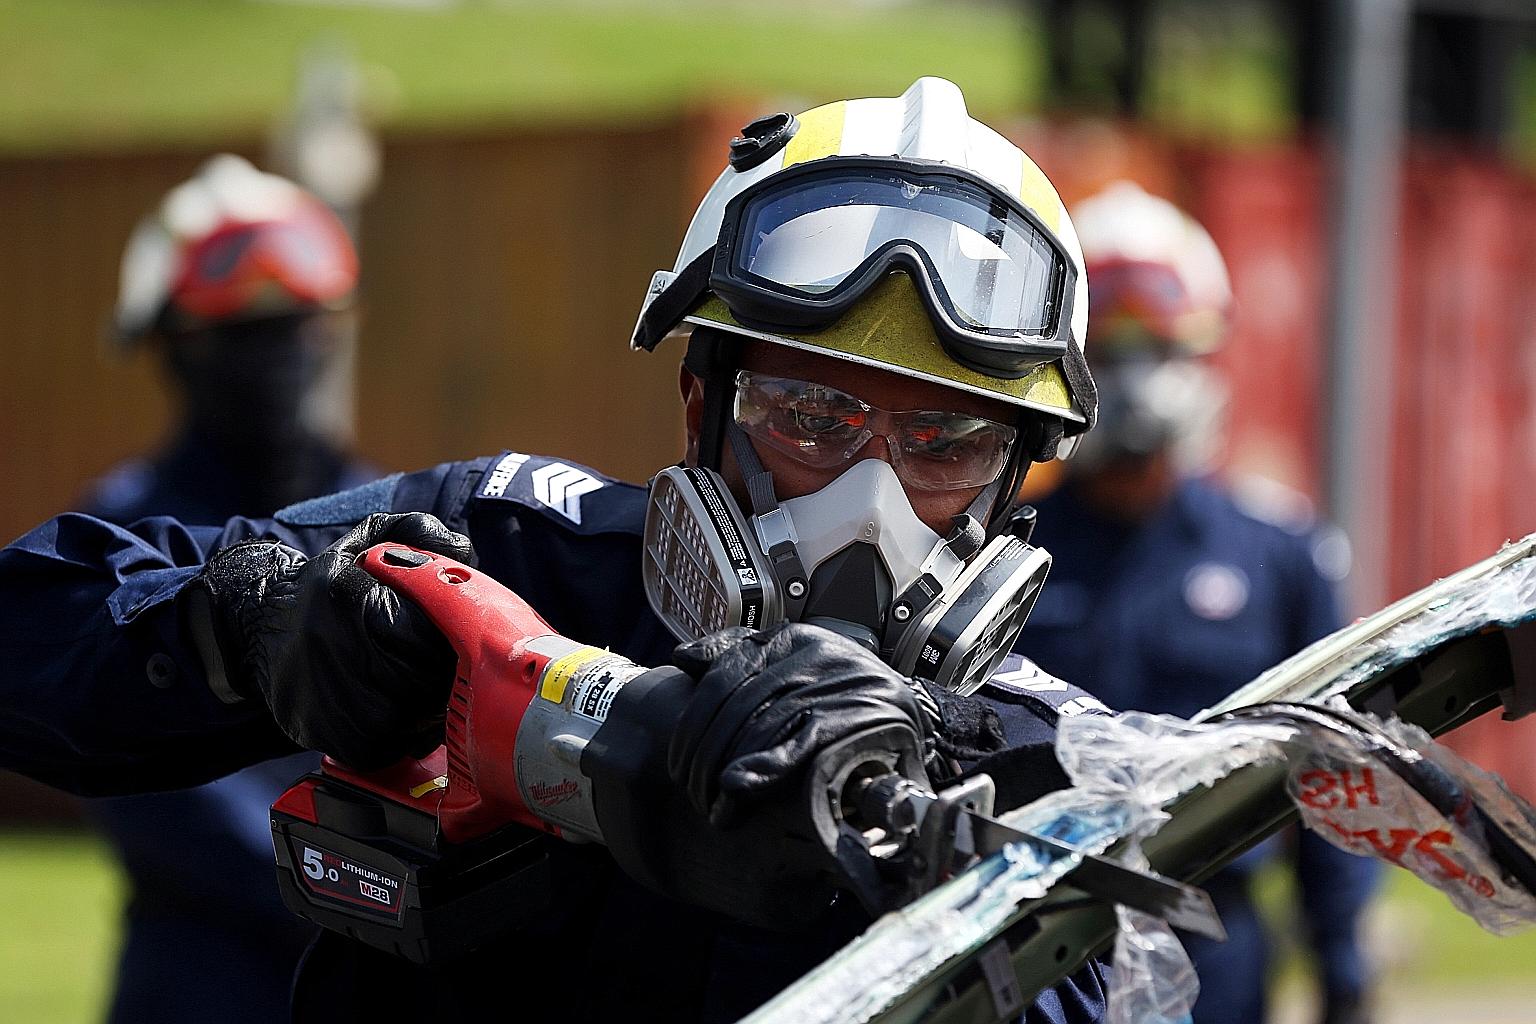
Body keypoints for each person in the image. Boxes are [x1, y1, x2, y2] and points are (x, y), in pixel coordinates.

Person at [1, 79, 1108, 1021]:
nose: (873, 500)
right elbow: (26, 634)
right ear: (699, 405)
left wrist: (894, 841)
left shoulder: (1042, 769)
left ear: (1018, 476)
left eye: (946, 441)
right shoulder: (510, 552)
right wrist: (245, 622)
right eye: (811, 416)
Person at [1012, 181, 1378, 1024]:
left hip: (1220, 948)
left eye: (1163, 349)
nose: (1139, 383)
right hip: (1038, 949)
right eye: (1111, 351)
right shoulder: (1001, 546)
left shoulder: (1280, 554)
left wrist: (1343, 963)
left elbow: (1334, 774)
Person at [79, 156, 377, 1024]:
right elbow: (151, 795)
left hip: (368, 977)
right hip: (200, 980)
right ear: (170, 345)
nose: (276, 357)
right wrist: (342, 887)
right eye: (239, 333)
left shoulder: (393, 517)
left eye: (295, 325)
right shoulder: (121, 538)